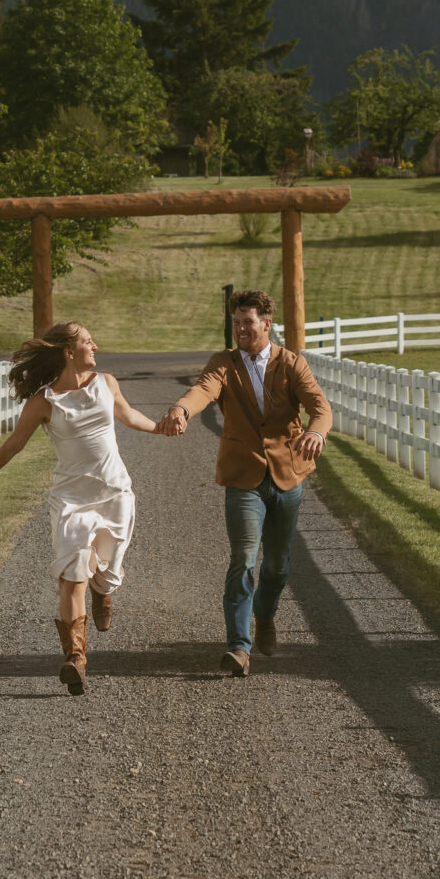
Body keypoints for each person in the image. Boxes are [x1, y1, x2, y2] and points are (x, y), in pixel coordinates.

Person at [0, 321, 161, 694]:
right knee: (72, 578)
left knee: (106, 575)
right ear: (69, 352)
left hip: (115, 495)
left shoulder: (107, 383)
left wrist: (160, 427)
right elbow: (12, 446)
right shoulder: (43, 402)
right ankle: (75, 659)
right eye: (88, 342)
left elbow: (130, 416)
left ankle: (104, 591)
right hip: (71, 502)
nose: (95, 346)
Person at [159, 289, 332, 676]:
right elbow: (204, 389)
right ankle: (239, 646)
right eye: (235, 322)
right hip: (243, 478)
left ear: (266, 324)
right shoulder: (224, 362)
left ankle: (266, 614)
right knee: (243, 558)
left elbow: (320, 408)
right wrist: (181, 409)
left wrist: (317, 434)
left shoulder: (292, 363)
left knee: (278, 565)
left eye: (247, 322)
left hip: (288, 475)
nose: (240, 328)